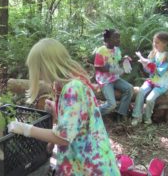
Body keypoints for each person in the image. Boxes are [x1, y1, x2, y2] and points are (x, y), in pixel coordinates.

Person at [7, 38, 120, 175]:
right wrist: (57, 111)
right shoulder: (64, 85)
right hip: (80, 161)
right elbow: (76, 122)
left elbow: (64, 137)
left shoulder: (73, 89)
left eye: (39, 70)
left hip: (90, 166)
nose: (40, 75)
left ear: (47, 66)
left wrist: (26, 129)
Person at [131, 32, 168, 126]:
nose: (154, 44)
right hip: (152, 81)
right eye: (154, 42)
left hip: (161, 84)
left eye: (157, 42)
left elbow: (160, 72)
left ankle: (147, 118)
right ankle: (137, 116)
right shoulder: (153, 53)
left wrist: (149, 64)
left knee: (149, 99)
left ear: (165, 43)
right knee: (141, 91)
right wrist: (144, 63)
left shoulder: (166, 56)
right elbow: (149, 71)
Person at [94, 29, 134, 121]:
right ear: (107, 39)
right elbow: (98, 67)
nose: (118, 39)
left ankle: (120, 113)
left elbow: (116, 60)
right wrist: (113, 70)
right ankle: (93, 113)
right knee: (111, 104)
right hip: (104, 80)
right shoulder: (101, 50)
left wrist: (124, 59)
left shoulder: (116, 49)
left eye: (119, 37)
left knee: (129, 89)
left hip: (114, 78)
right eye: (115, 37)